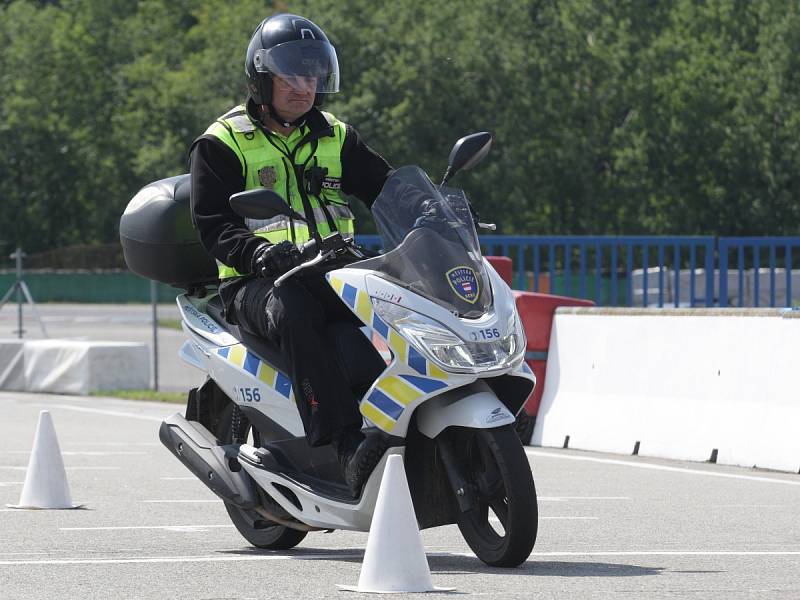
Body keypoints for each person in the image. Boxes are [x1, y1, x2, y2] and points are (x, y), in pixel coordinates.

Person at [190, 13, 393, 496]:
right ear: (262, 78)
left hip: (333, 271)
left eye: (312, 76)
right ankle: (342, 444)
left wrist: (432, 207)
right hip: (257, 283)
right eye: (291, 75)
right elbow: (214, 225)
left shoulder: (336, 136)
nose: (304, 87)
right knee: (296, 311)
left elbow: (386, 188)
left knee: (400, 305)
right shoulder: (223, 142)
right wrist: (258, 254)